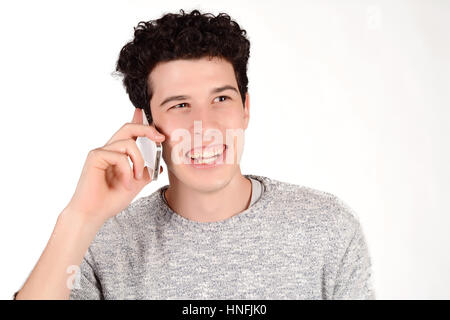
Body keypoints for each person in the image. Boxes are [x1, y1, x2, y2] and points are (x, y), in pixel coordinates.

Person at [14, 8, 375, 300]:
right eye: (181, 105)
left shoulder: (326, 227)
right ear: (147, 123)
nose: (206, 126)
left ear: (245, 108)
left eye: (221, 99)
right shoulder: (102, 244)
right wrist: (81, 216)